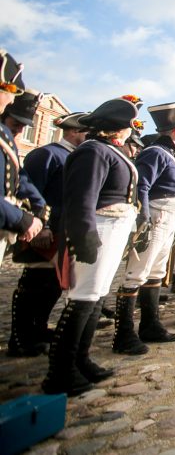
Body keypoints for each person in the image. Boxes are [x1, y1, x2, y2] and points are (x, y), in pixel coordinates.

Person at [43, 97, 140, 396]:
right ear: (118, 128)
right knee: (83, 297)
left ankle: (81, 359)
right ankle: (60, 370)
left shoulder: (109, 150)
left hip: (113, 228)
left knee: (96, 295)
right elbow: (82, 199)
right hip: (98, 228)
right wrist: (83, 237)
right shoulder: (94, 151)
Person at [113, 100, 175, 354]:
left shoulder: (170, 154)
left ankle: (150, 324)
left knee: (157, 270)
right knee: (138, 272)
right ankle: (123, 333)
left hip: (169, 214)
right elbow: (142, 187)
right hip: (157, 215)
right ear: (173, 130)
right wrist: (143, 219)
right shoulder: (155, 152)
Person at [7, 107, 82, 357]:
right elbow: (31, 194)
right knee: (33, 284)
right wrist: (43, 226)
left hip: (65, 230)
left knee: (52, 285)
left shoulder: (77, 157)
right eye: (85, 130)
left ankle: (38, 328)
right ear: (73, 131)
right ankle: (19, 337)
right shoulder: (48, 154)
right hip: (44, 230)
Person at [0, 52, 45, 268]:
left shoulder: (4, 135)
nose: (11, 98)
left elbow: (19, 176)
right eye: (8, 92)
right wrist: (21, 218)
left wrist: (39, 204)